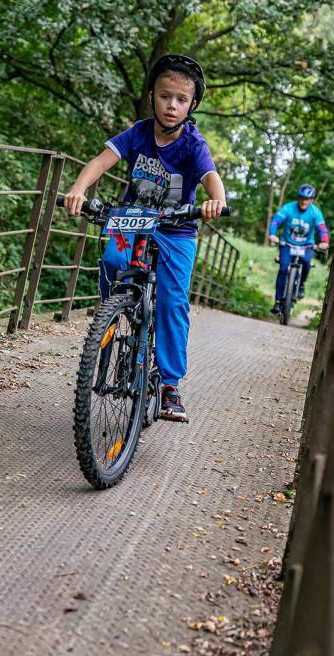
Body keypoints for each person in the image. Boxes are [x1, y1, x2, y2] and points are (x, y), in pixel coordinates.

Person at [64, 54, 226, 423]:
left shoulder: (192, 143)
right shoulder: (138, 132)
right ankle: (112, 317)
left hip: (175, 229)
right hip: (132, 220)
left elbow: (210, 176)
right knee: (112, 261)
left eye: (181, 100)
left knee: (171, 302)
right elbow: (100, 161)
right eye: (165, 96)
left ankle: (169, 384)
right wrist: (78, 189)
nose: (172, 105)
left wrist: (218, 200)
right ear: (152, 96)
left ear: (192, 105)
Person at [268, 184, 329, 314]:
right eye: (301, 198)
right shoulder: (288, 208)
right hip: (287, 244)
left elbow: (322, 228)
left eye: (307, 199)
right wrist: (272, 234)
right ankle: (278, 302)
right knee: (283, 268)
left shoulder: (315, 212)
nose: (304, 201)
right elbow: (275, 221)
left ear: (311, 200)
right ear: (298, 198)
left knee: (306, 263)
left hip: (307, 246)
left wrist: (324, 241)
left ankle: (301, 285)